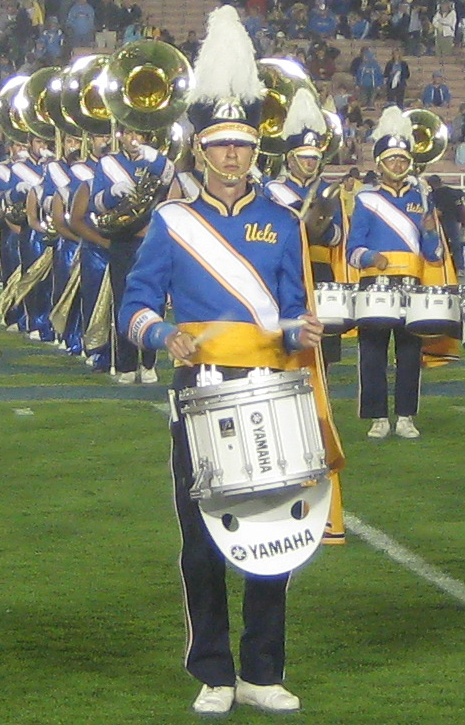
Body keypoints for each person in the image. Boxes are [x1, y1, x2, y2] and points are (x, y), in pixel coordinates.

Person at [119, 5, 343, 715]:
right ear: (200, 151)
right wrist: (163, 337)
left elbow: (284, 308)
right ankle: (213, 671)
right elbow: (134, 304)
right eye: (218, 146)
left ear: (254, 149)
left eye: (241, 146)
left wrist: (299, 332)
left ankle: (262, 669)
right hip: (200, 391)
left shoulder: (280, 220)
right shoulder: (170, 221)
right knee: (202, 540)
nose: (230, 156)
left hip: (272, 388)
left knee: (273, 532)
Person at [346, 106, 445, 439]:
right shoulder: (366, 199)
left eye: (403, 160)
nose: (398, 165)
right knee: (372, 351)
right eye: (392, 160)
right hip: (376, 282)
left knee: (409, 352)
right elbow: (352, 250)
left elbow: (433, 254)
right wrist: (373, 257)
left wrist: (431, 232)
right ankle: (377, 417)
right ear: (380, 164)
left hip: (413, 285)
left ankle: (405, 415)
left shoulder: (422, 197)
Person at [90, 126, 174, 384]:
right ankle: (126, 364)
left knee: (154, 300)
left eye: (139, 133)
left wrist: (157, 158)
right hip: (122, 241)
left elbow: (171, 180)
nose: (134, 138)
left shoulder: (156, 160)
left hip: (151, 240)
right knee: (123, 300)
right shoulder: (108, 163)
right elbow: (96, 203)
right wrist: (112, 194)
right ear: (120, 136)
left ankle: (148, 363)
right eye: (128, 134)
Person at [427, 174, 464, 276]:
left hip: (441, 222)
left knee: (442, 245)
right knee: (456, 245)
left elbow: (435, 211)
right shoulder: (453, 192)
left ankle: (445, 268)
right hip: (454, 221)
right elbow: (461, 195)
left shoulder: (433, 195)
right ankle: (460, 268)